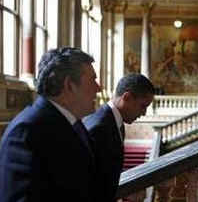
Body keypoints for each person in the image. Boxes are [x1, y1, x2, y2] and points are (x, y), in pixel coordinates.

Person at [0, 47, 101, 202]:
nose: (98, 88)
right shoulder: (26, 132)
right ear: (69, 85)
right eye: (92, 79)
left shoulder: (73, 123)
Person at [83, 73, 155, 202]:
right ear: (126, 97)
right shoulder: (99, 127)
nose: (144, 113)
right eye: (143, 106)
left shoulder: (115, 122)